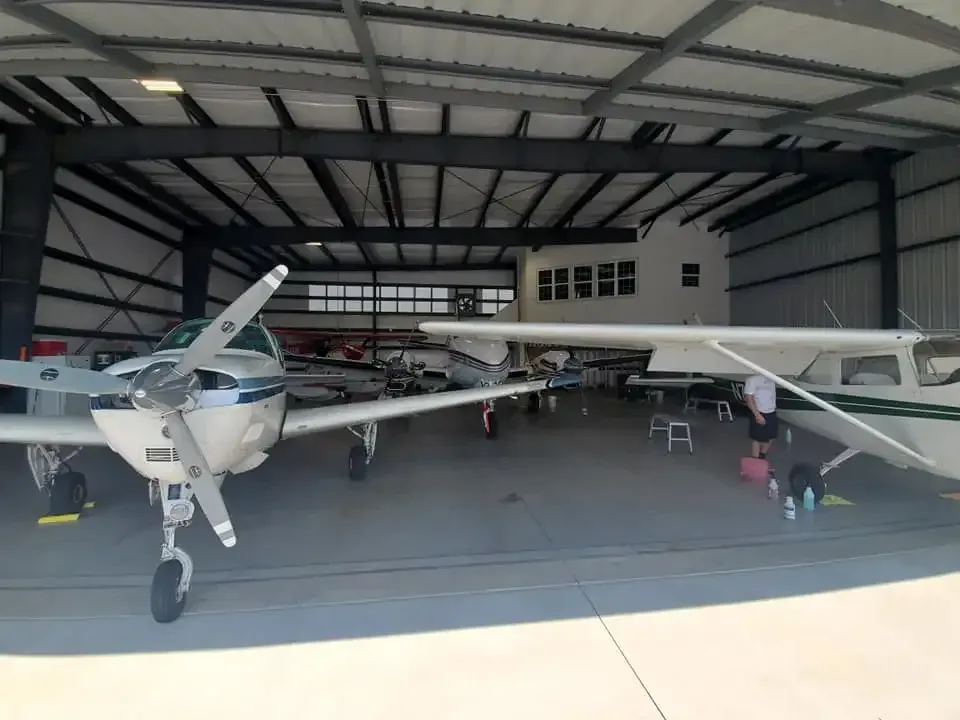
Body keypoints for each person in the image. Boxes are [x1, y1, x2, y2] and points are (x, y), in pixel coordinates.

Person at [744, 374, 778, 459]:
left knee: (771, 437)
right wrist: (757, 415)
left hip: (771, 411)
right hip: (760, 412)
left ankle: (761, 456)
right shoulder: (752, 379)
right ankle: (755, 460)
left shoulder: (772, 377)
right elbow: (748, 398)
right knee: (758, 439)